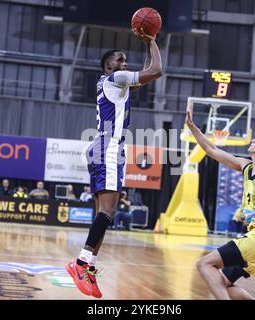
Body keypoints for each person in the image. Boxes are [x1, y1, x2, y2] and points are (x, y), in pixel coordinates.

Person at [66, 27, 163, 299]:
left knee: (103, 213)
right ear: (109, 66)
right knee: (107, 212)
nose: (124, 63)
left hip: (104, 145)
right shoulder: (116, 77)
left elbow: (146, 73)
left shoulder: (110, 82)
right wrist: (152, 40)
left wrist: (146, 46)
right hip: (108, 146)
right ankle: (82, 262)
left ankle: (89, 265)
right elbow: (156, 71)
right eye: (120, 60)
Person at [186, 110, 255, 300]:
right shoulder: (246, 166)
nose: (254, 140)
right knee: (221, 284)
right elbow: (213, 151)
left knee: (204, 265)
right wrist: (193, 128)